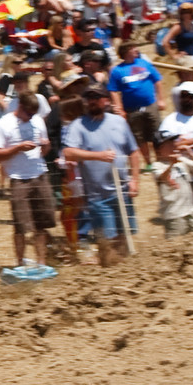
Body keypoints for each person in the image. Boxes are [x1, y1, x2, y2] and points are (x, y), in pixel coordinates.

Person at [60, 90, 137, 267]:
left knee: (124, 234)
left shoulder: (119, 122)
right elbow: (68, 152)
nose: (91, 102)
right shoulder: (78, 126)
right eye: (88, 99)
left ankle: (127, 270)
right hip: (98, 195)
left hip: (123, 190)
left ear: (106, 101)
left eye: (96, 98)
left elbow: (133, 151)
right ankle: (110, 272)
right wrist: (99, 156)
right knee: (106, 239)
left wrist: (135, 180)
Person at [0, 91, 55, 280]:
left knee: (41, 224)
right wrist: (18, 148)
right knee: (21, 225)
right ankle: (20, 263)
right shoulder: (3, 125)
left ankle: (41, 263)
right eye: (28, 113)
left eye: (34, 114)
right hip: (19, 179)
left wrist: (46, 146)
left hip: (40, 174)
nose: (32, 117)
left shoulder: (38, 121)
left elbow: (46, 148)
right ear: (20, 107)